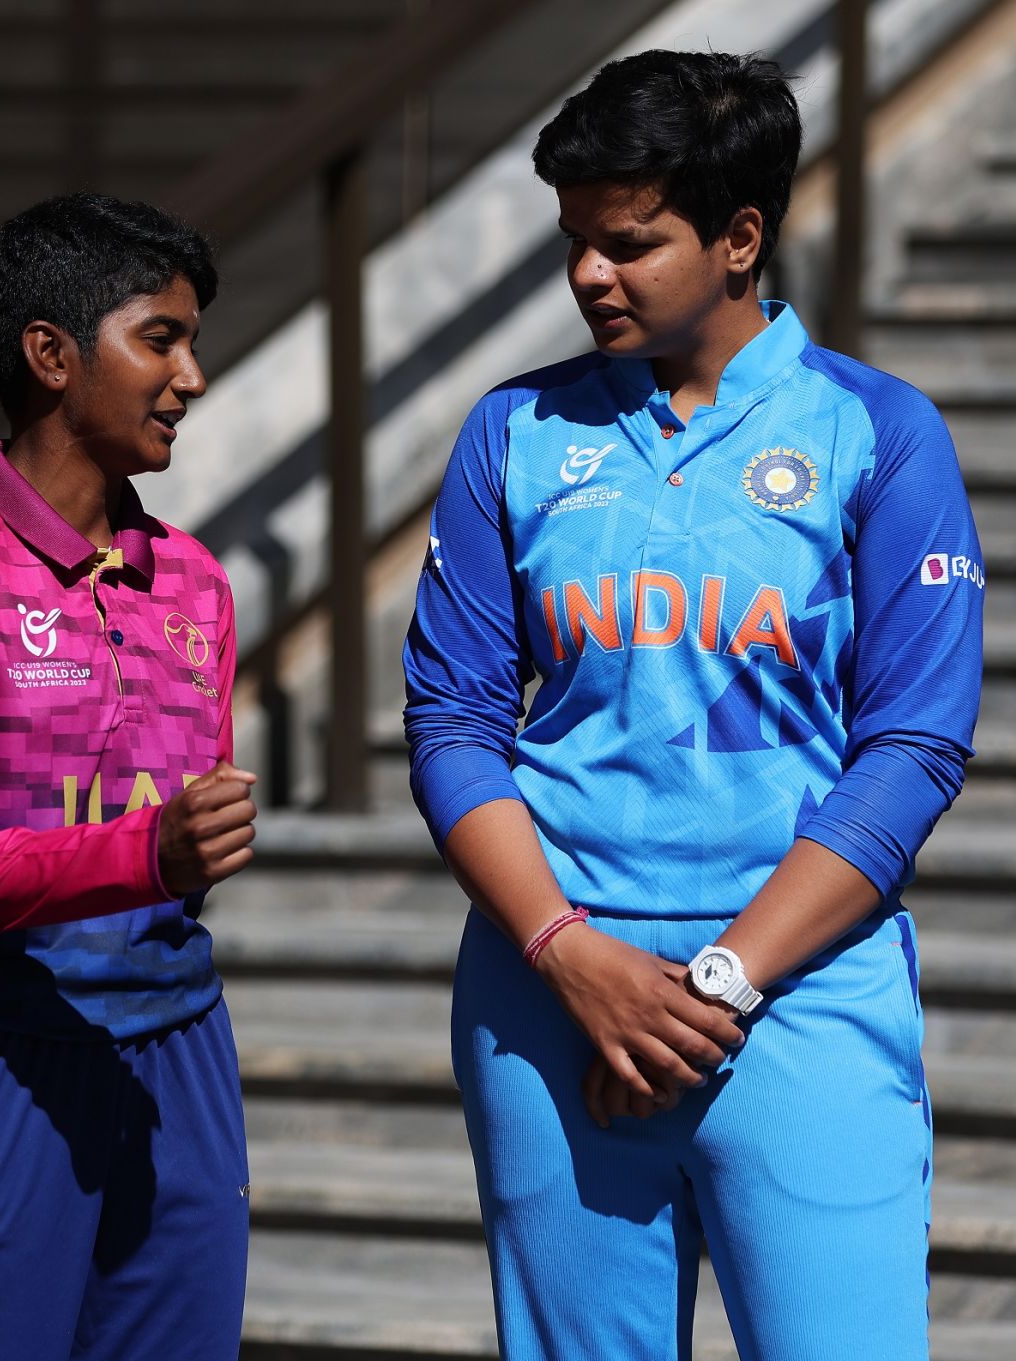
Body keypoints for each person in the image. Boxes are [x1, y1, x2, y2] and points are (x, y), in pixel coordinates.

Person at [403, 50, 984, 1361]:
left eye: (629, 243)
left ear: (740, 237)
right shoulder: (514, 434)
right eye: (576, 243)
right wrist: (570, 955)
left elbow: (913, 746)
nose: (587, 276)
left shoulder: (879, 432)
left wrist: (718, 981)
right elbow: (450, 726)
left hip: (799, 997)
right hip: (549, 999)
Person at [0, 193, 257, 1361]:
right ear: (51, 355)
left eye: (195, 340)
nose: (194, 376)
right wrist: (144, 852)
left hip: (178, 1057)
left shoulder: (199, 586)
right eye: (161, 338)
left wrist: (176, 860)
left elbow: (177, 867)